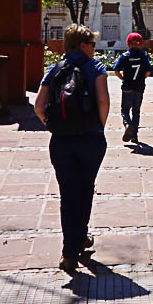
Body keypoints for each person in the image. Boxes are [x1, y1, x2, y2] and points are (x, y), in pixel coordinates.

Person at [33, 23, 110, 275]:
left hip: (61, 141)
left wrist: (53, 125)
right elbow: (102, 100)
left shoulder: (54, 69)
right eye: (92, 44)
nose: (94, 49)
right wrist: (99, 125)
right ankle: (79, 238)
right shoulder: (95, 67)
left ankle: (69, 252)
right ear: (83, 45)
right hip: (90, 138)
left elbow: (38, 106)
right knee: (85, 188)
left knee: (67, 194)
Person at [112, 32, 152, 144]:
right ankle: (134, 136)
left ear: (128, 44)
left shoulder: (125, 56)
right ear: (140, 44)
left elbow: (116, 70)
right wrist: (142, 78)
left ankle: (127, 124)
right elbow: (148, 72)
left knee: (125, 110)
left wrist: (122, 78)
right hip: (139, 87)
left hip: (127, 86)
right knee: (136, 111)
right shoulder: (143, 56)